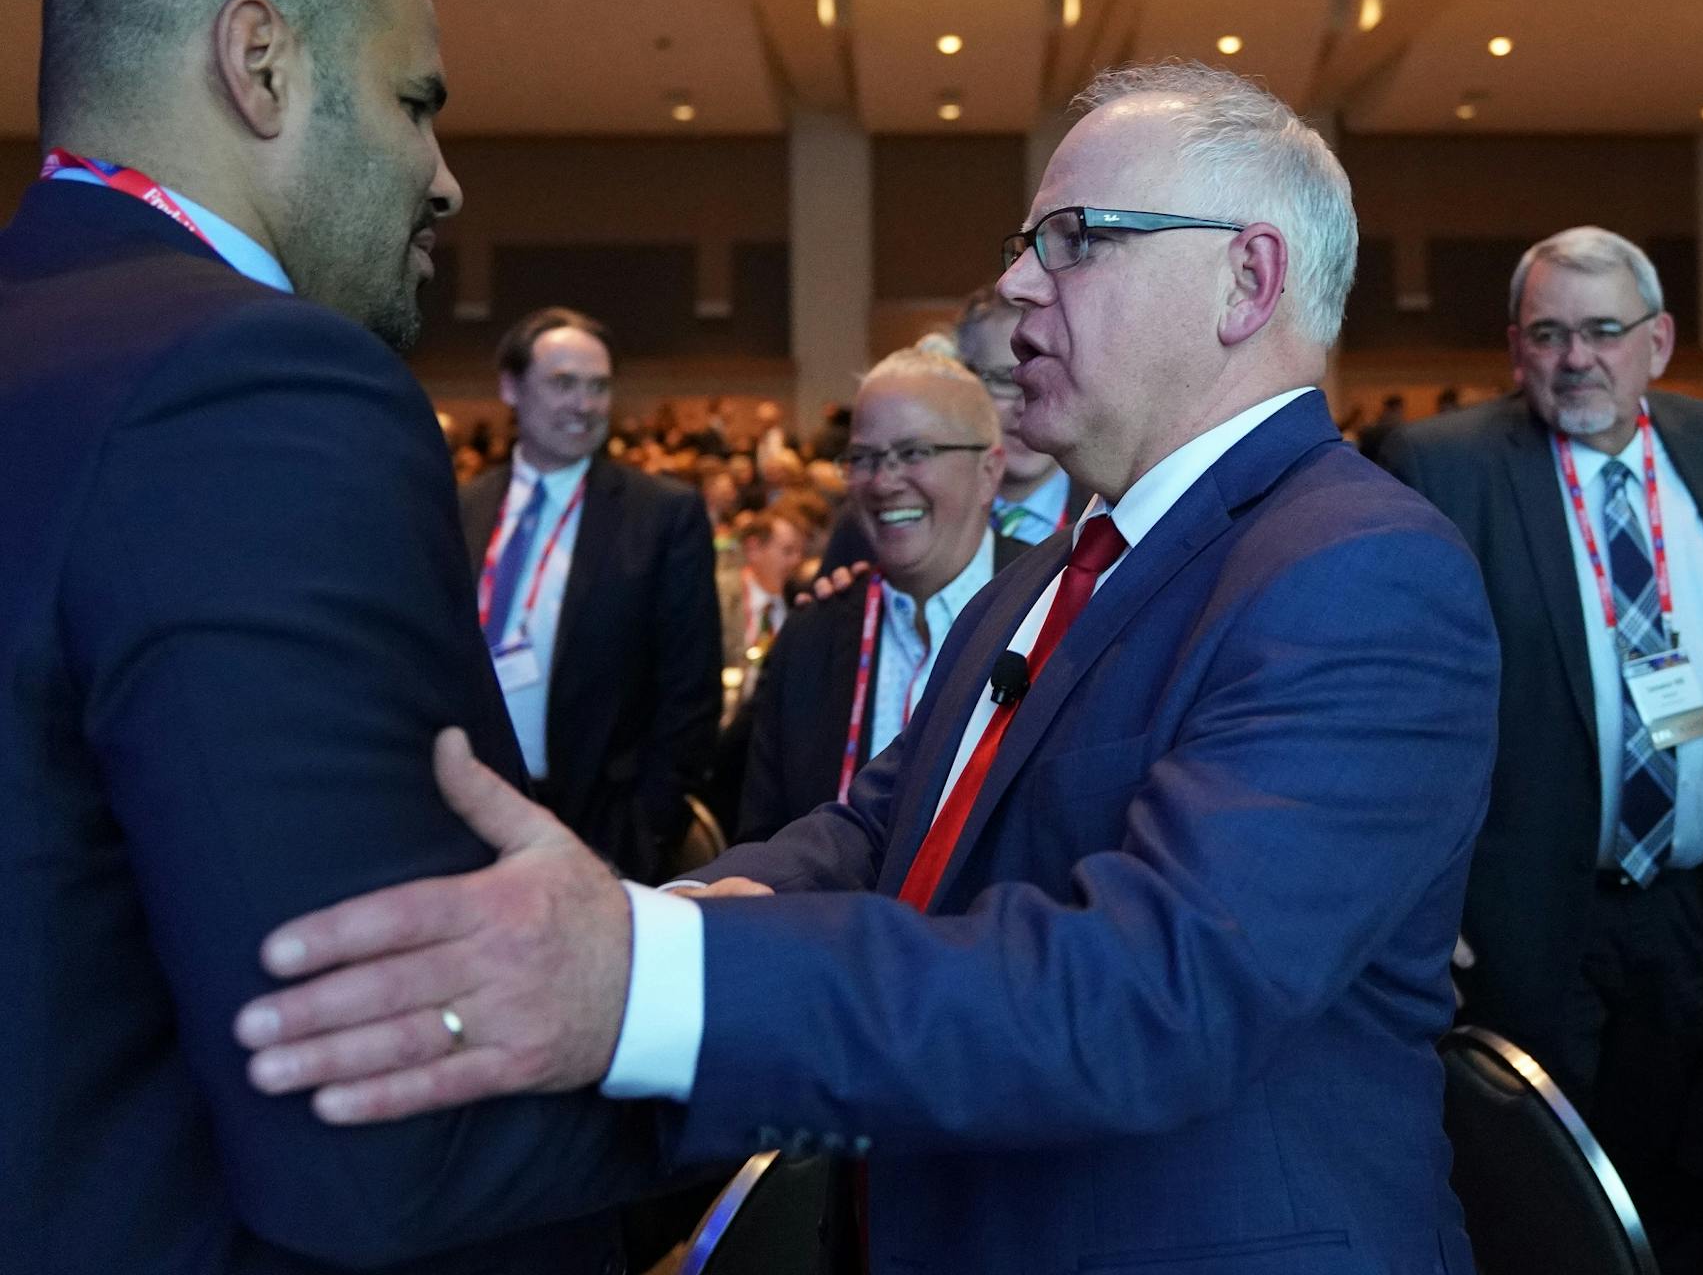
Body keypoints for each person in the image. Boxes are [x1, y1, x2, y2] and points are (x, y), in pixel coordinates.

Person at [235, 61, 1502, 1275]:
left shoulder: (1358, 572)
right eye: (1023, 240)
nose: (1014, 282)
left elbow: (1152, 995)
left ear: (1245, 278)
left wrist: (651, 983)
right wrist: (657, 921)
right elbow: (882, 832)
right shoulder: (1045, 574)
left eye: (1073, 237)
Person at [0, 0, 664, 1272]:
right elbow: (379, 1119)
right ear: (261, 63)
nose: (442, 176)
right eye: (415, 102)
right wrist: (751, 1045)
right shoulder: (250, 379)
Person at [1381, 225, 1703, 1275]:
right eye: (1549, 333)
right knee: (1537, 1202)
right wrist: (1431, 894)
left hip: (1686, 904)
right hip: (1525, 908)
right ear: (1516, 347)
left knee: (1667, 1170)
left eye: (1603, 332)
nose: (1577, 360)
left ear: (1657, 341)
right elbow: (1405, 695)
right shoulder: (1446, 463)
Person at [460, 307, 721, 886]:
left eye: (598, 387)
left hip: (603, 830)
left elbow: (690, 693)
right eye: (563, 384)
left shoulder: (660, 516)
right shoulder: (465, 510)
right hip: (471, 821)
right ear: (510, 387)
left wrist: (646, 828)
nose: (585, 404)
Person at [732, 349, 1030, 844]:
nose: (885, 482)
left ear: (987, 471)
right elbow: (764, 836)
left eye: (915, 453)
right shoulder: (813, 636)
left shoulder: (1056, 607)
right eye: (864, 459)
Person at [955, 283, 1090, 542]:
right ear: (964, 382)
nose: (1024, 405)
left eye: (1044, 378)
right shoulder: (909, 522)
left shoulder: (1117, 514)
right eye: (1005, 380)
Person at [718, 505, 805, 671]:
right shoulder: (722, 595)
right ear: (754, 550)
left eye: (801, 552)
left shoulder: (800, 599)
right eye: (787, 551)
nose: (796, 561)